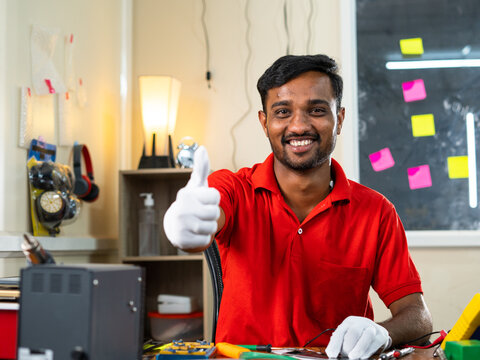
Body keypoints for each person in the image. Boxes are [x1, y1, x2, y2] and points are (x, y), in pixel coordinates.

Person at [164, 54, 433, 359]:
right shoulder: (234, 189)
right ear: (265, 123)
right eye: (282, 112)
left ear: (339, 119)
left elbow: (418, 317)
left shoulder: (377, 212)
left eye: (316, 110)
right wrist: (181, 223)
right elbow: (207, 212)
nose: (299, 125)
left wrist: (383, 332)